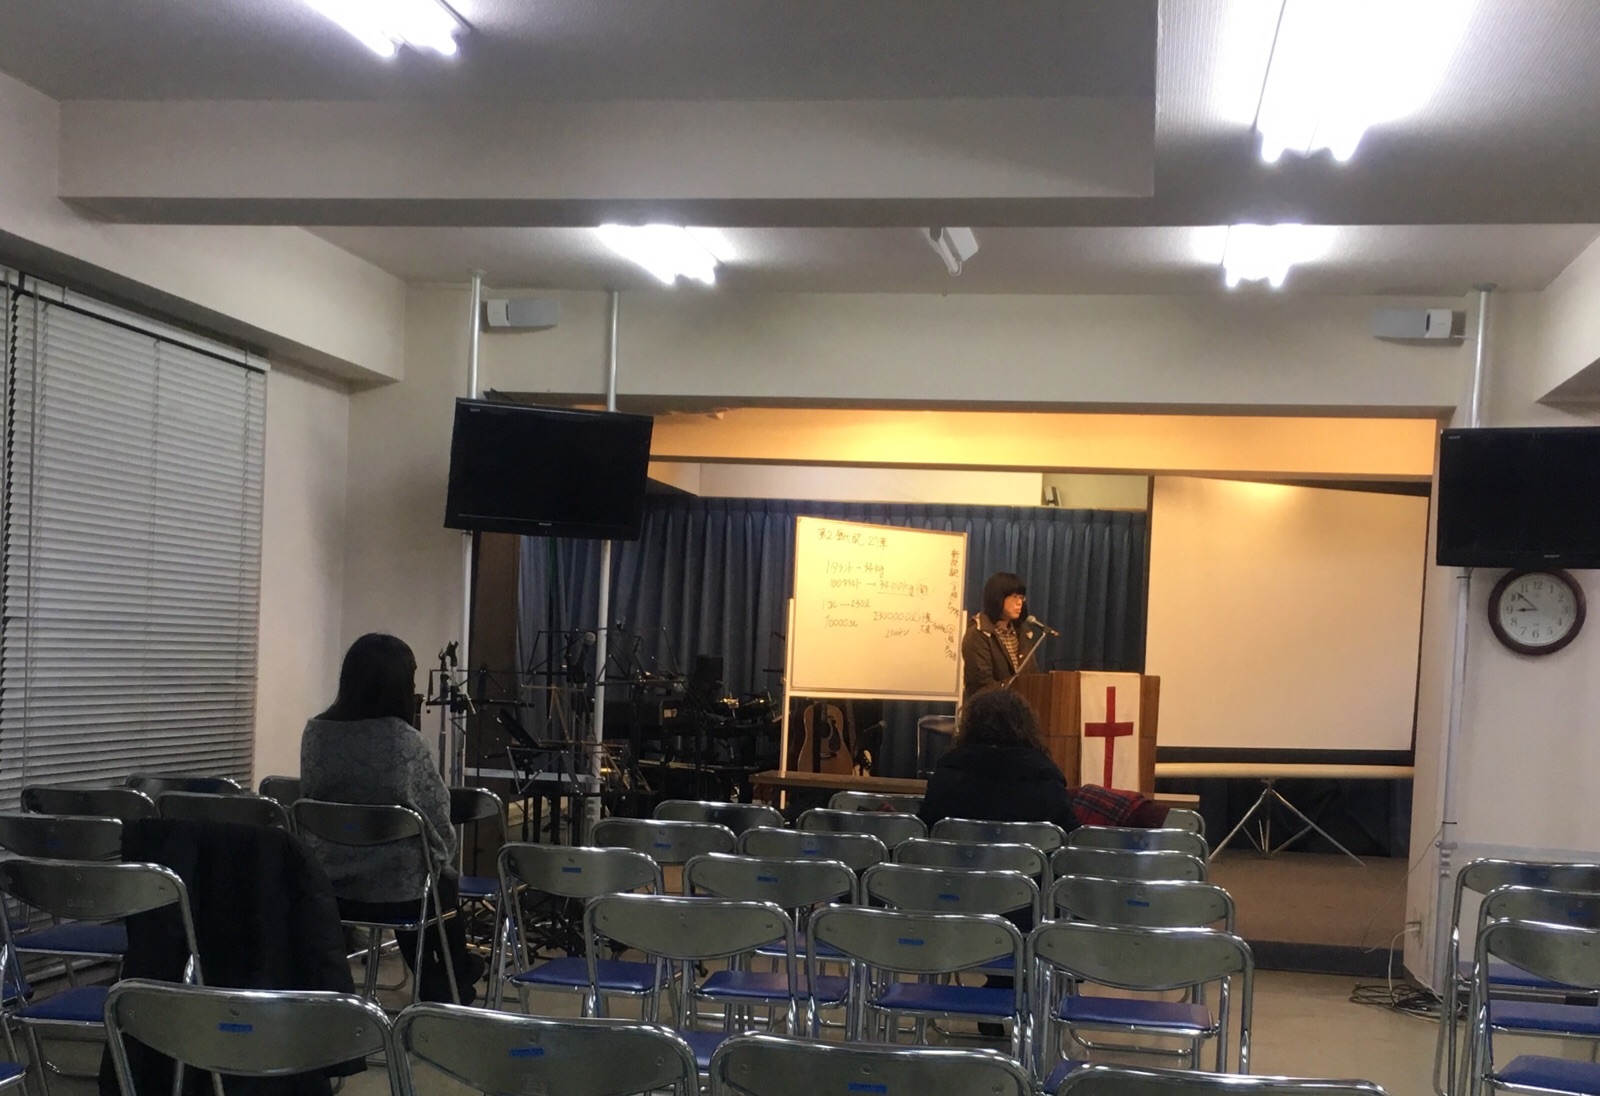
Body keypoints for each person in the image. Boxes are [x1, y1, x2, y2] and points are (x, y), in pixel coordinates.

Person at [299, 633, 485, 1004]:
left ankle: (446, 975)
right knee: (434, 880)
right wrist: (441, 860)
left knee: (417, 876)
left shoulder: (316, 734)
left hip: (329, 888)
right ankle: (449, 976)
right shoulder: (406, 742)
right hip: (401, 895)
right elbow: (439, 822)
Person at [918, 688, 1079, 833]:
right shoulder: (1047, 783)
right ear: (1028, 728)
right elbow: (1069, 839)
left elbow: (925, 832)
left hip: (960, 857)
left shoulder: (947, 779)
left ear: (969, 727)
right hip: (1027, 858)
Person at [961, 571, 1043, 701]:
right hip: (988, 709)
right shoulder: (978, 634)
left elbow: (1033, 675)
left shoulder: (1022, 633)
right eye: (1014, 597)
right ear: (997, 598)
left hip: (1019, 707)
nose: (1019, 603)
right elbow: (982, 686)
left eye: (1022, 598)